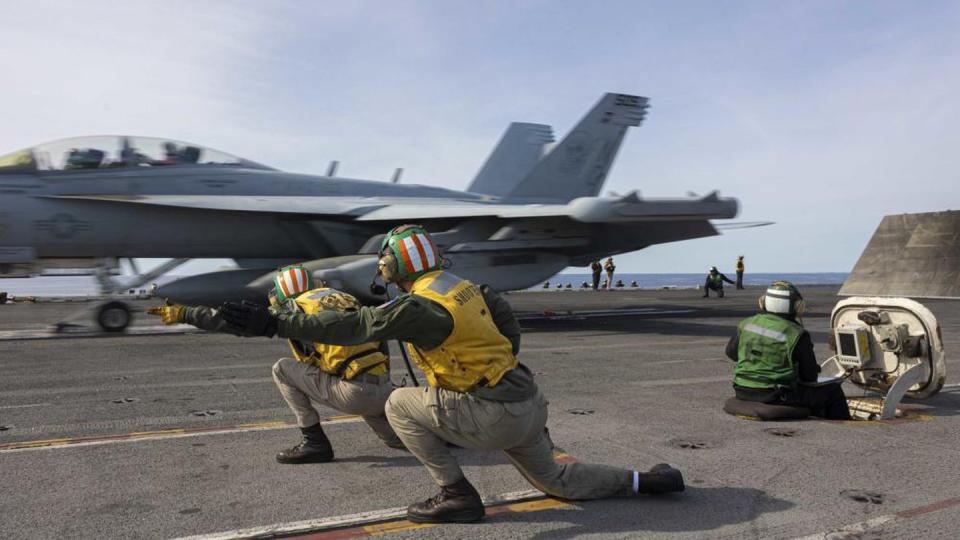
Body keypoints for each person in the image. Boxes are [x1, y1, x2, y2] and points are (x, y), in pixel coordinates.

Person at [218, 225, 685, 524]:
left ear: (395, 265)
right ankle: (648, 480)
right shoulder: (464, 287)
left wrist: (274, 322)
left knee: (399, 402)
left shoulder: (418, 306)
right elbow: (507, 325)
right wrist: (489, 369)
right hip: (527, 402)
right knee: (555, 481)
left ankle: (456, 494)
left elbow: (357, 325)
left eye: (385, 261)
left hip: (490, 414)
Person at [147, 265, 404, 463]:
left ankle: (314, 442)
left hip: (352, 395)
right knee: (398, 440)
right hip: (383, 391)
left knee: (282, 368)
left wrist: (184, 313)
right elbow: (379, 342)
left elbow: (231, 322)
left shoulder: (294, 308)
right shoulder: (346, 299)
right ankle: (424, 436)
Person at [725, 281, 850, 420]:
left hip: (742, 390)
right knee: (832, 391)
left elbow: (731, 353)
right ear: (797, 307)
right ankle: (848, 429)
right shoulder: (796, 333)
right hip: (775, 395)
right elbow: (809, 377)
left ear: (763, 302)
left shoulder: (746, 324)